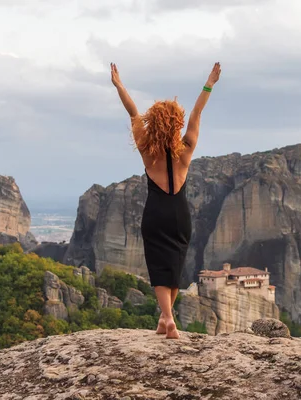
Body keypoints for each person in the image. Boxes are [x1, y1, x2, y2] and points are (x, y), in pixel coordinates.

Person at [111, 62, 221, 339]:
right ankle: (165, 319)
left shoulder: (148, 152)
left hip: (156, 213)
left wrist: (119, 86)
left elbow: (133, 112)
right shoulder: (186, 150)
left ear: (155, 122)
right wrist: (209, 83)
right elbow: (197, 112)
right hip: (179, 214)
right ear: (176, 123)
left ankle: (168, 319)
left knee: (158, 265)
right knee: (174, 264)